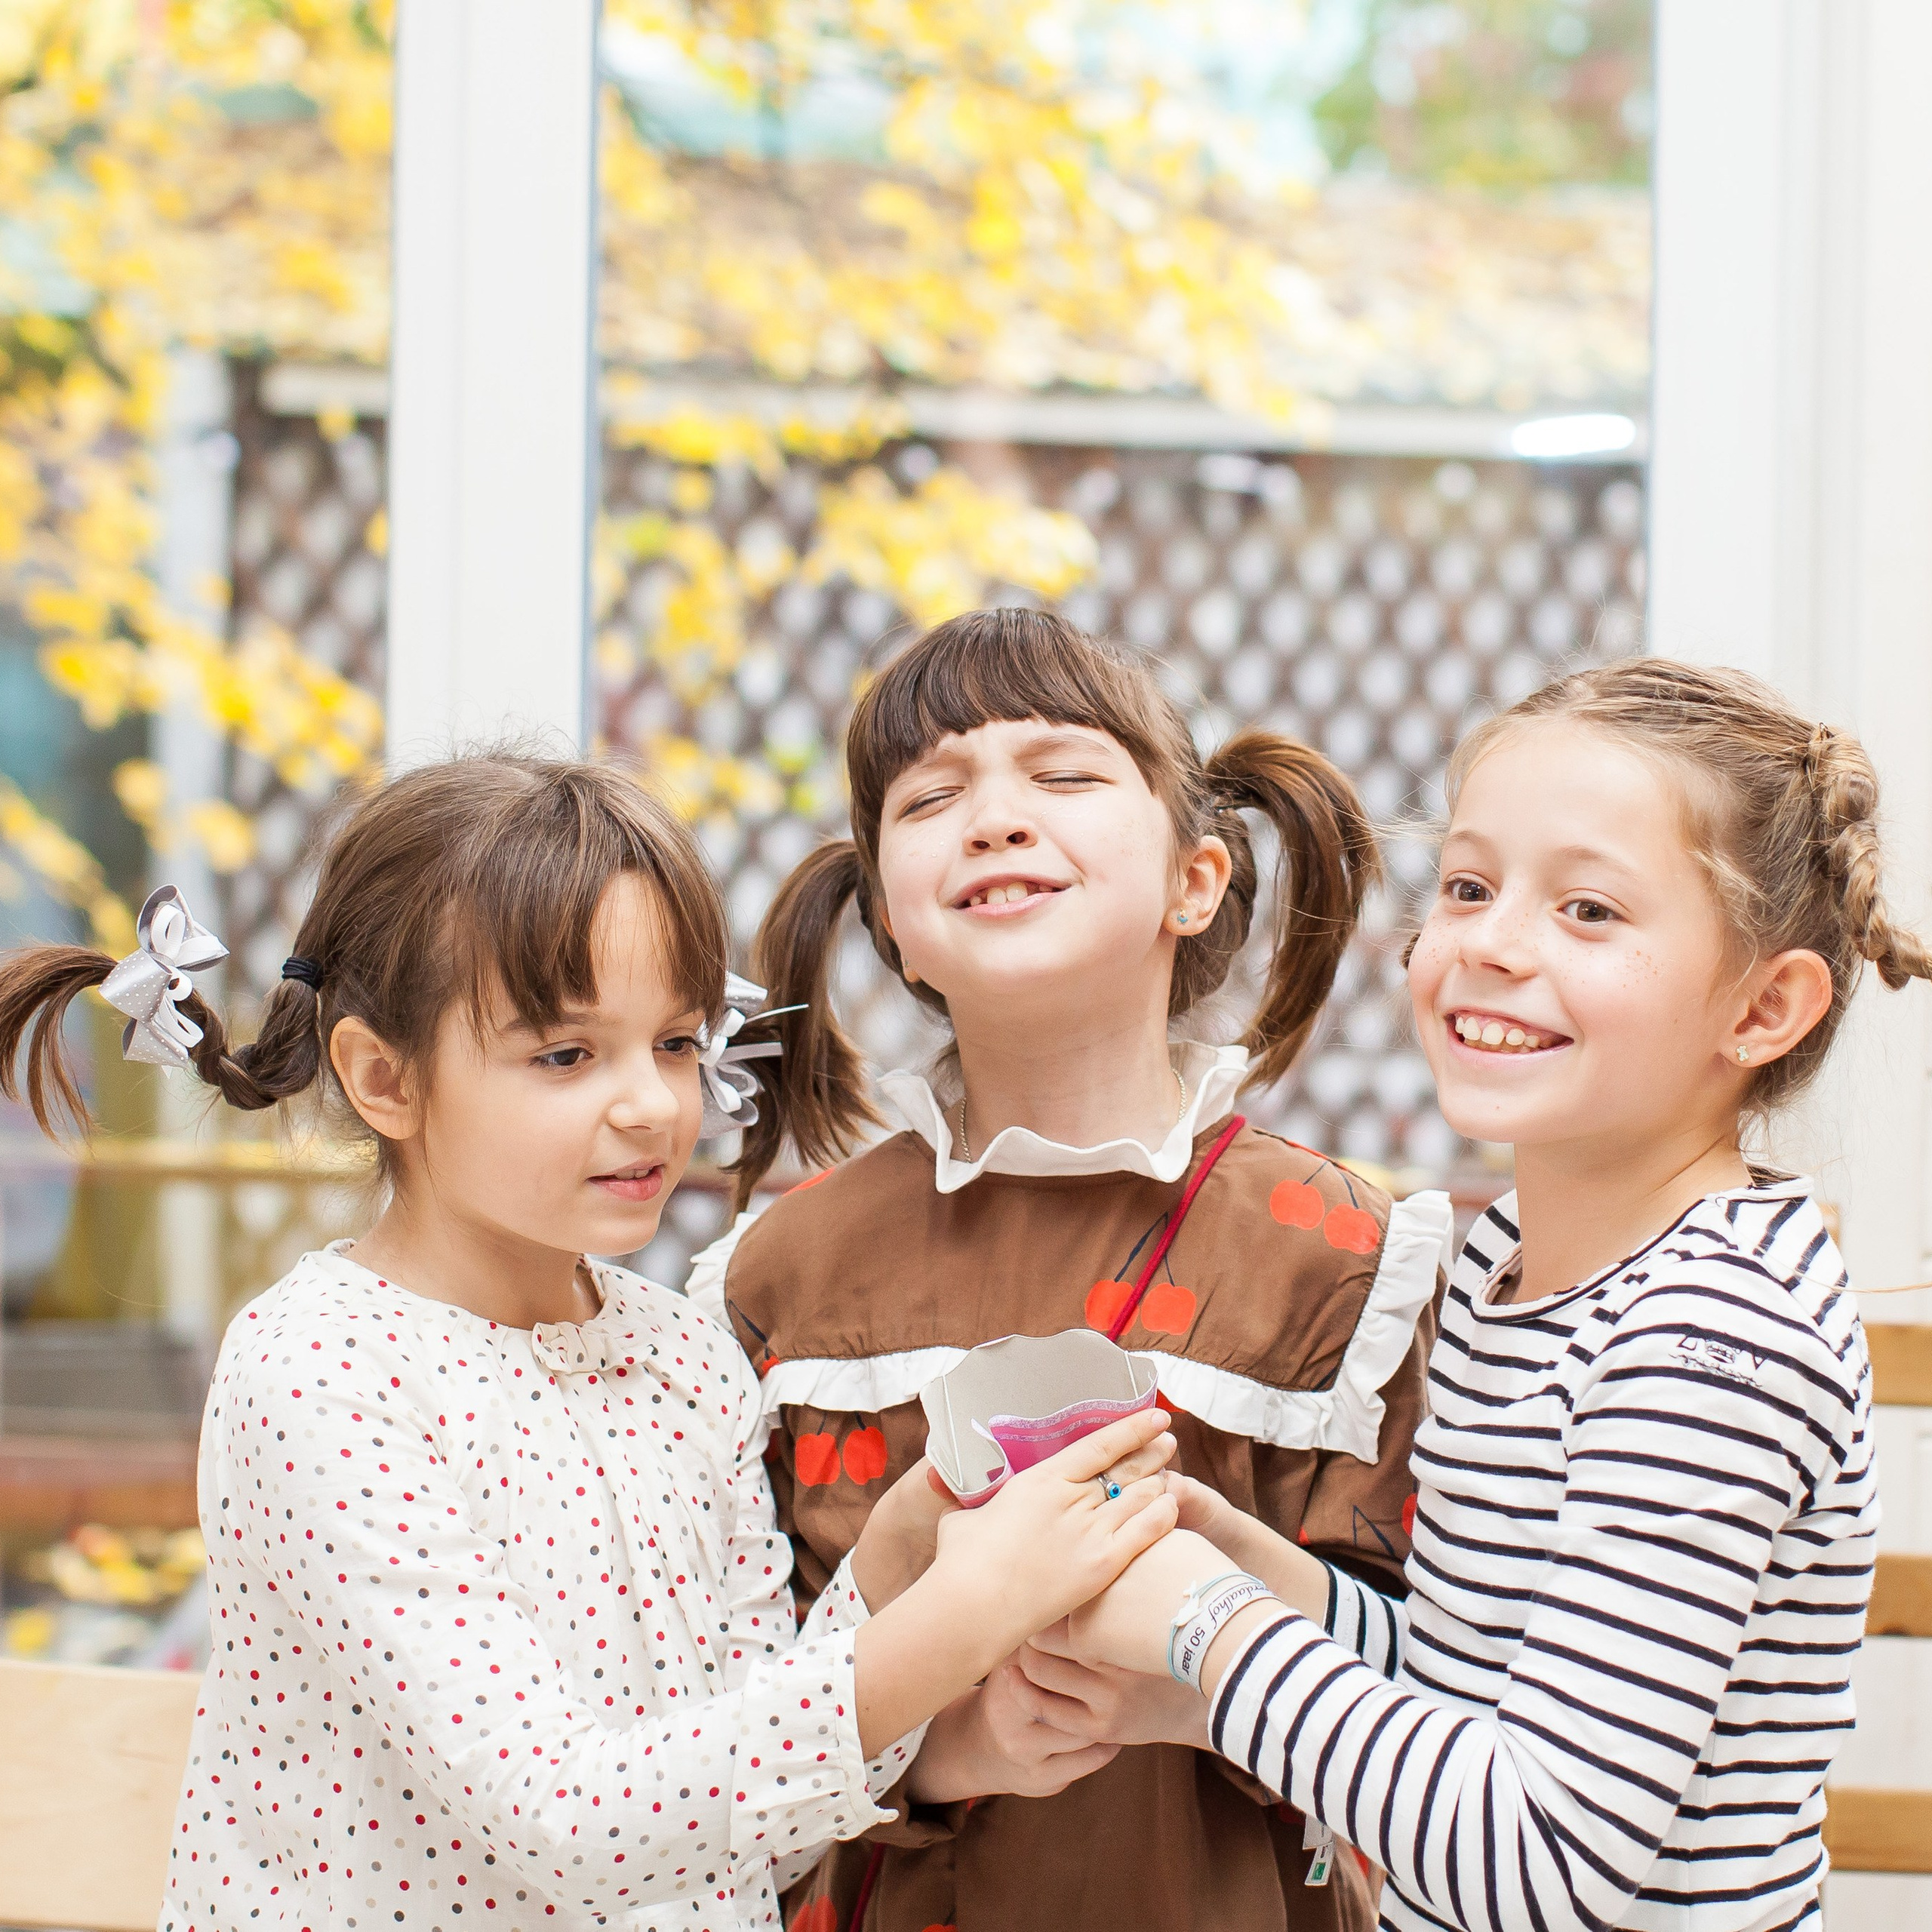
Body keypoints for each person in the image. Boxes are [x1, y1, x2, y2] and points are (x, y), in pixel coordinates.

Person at [0, 752, 1182, 1932]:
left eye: (674, 1042)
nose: (652, 1106)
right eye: (566, 1055)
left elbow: (748, 1796)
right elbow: (565, 1817)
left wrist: (899, 1556)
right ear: (381, 1078)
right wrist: (951, 1627)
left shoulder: (682, 1357)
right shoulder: (320, 1370)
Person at [1066, 660, 1907, 1932]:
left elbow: (1542, 1861)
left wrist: (1210, 1629)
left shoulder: (1710, 1338)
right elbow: (1487, 1682)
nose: (1491, 945)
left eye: (1588, 910)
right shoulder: (1518, 1262)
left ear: (1764, 1006)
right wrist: (1270, 1589)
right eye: (1468, 886)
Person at [688, 611, 1454, 1932]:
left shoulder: (1352, 1265)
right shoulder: (772, 1282)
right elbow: (712, 1723)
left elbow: (1438, 1692)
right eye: (932, 797)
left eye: (1063, 775)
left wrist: (1209, 1679)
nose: (993, 817)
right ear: (892, 929)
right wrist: (932, 1748)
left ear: (1194, 882)